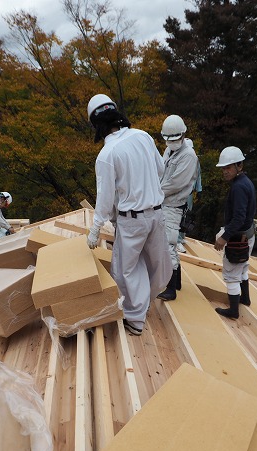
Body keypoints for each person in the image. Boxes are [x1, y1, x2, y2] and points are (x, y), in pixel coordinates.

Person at [85, 94, 171, 336]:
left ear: (97, 124)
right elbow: (160, 169)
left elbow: (105, 197)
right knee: (157, 264)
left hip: (132, 221)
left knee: (126, 269)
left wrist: (95, 228)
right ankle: (144, 303)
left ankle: (135, 319)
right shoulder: (142, 136)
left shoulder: (107, 154)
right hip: (156, 215)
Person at [157, 115, 200, 301]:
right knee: (169, 243)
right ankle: (178, 282)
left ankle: (171, 289)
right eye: (168, 139)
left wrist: (154, 192)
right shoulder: (169, 151)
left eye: (174, 139)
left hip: (173, 205)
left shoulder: (189, 157)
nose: (171, 143)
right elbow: (161, 171)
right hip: (164, 202)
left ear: (183, 135)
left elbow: (175, 183)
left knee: (168, 244)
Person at [213, 147, 256, 319]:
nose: (225, 171)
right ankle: (244, 298)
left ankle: (233, 311)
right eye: (223, 168)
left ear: (239, 165)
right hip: (248, 234)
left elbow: (238, 218)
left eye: (228, 167)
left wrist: (224, 237)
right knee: (243, 268)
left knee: (231, 274)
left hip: (239, 237)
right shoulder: (246, 182)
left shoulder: (238, 187)